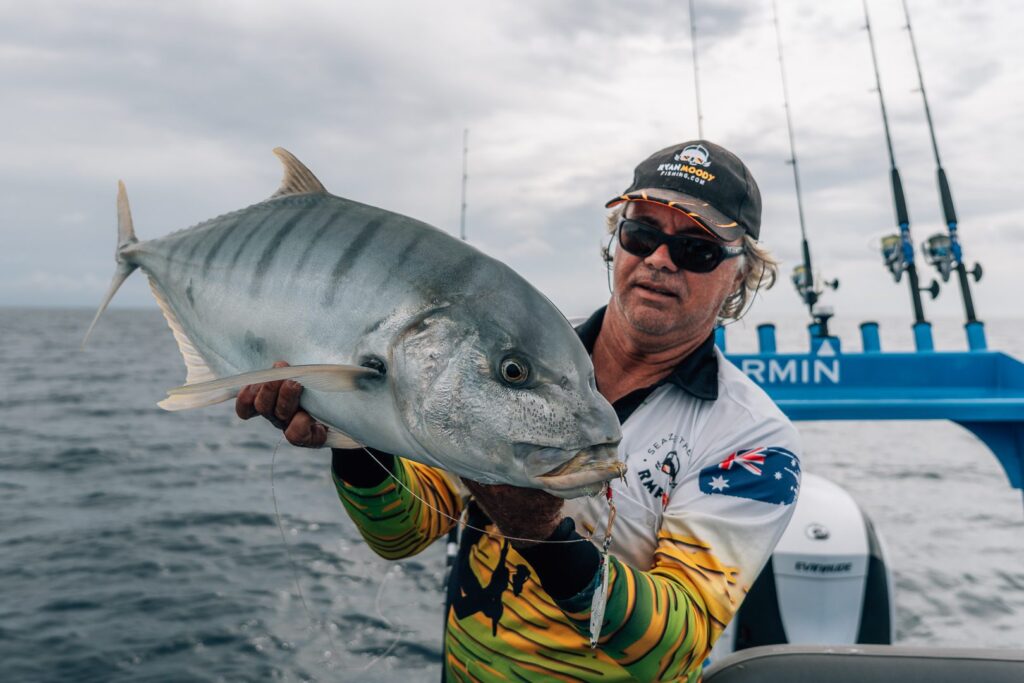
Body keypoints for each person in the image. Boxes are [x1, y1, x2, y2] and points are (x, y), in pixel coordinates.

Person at [236, 140, 802, 682]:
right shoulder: (497, 359)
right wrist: (355, 437)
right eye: (641, 232)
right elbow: (401, 534)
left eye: (696, 249)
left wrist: (539, 533)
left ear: (742, 276)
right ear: (616, 242)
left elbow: (674, 644)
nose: (658, 259)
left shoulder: (752, 438)